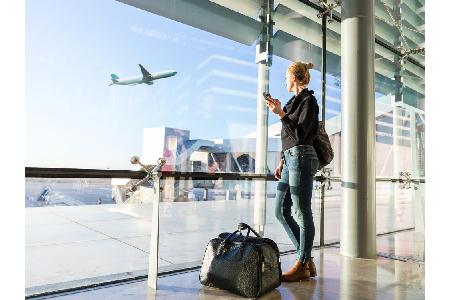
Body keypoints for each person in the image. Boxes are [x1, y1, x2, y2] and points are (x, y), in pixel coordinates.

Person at [264, 61, 320, 282]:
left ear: (295, 78)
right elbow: (288, 138)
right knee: (280, 210)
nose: (285, 81)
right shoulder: (292, 103)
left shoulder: (309, 101)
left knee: (301, 211)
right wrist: (281, 160)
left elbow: (299, 134)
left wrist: (280, 114)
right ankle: (305, 259)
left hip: (303, 157)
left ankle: (302, 262)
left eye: (286, 77)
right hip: (289, 160)